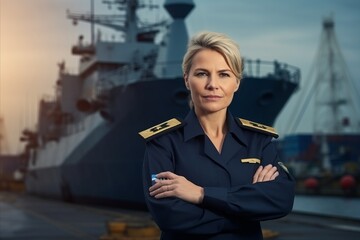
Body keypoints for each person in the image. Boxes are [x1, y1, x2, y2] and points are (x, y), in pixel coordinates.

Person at [139, 31, 295, 240]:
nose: (213, 84)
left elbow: (281, 200)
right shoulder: (163, 142)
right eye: (202, 73)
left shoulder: (259, 141)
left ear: (237, 83)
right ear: (187, 80)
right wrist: (246, 210)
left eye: (224, 74)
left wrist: (201, 194)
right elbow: (169, 216)